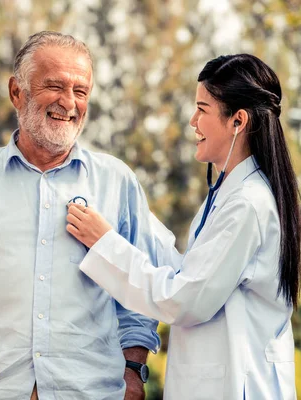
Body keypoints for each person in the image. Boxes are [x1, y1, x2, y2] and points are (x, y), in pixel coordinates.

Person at [0, 31, 161, 399]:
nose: (69, 102)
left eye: (81, 91)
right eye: (54, 86)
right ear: (16, 92)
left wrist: (133, 372)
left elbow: (140, 296)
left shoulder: (117, 182)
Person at [67, 54, 300, 399]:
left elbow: (184, 301)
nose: (193, 121)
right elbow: (191, 275)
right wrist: (135, 220)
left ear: (238, 121)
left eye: (202, 109)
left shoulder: (247, 204)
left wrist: (105, 243)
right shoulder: (228, 194)